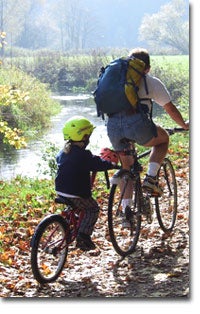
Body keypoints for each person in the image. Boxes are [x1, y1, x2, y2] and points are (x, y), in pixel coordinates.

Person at [107, 47, 189, 207]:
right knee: (163, 139)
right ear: (148, 68)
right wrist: (183, 125)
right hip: (137, 126)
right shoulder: (150, 81)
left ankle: (126, 212)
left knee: (127, 167)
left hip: (113, 127)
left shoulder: (115, 79)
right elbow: (170, 108)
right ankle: (151, 178)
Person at [55, 116, 117, 251]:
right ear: (84, 137)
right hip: (76, 193)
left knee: (74, 206)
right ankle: (83, 237)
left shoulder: (64, 152)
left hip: (60, 189)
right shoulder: (84, 155)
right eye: (88, 135)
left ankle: (68, 224)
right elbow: (97, 163)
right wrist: (111, 164)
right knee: (92, 209)